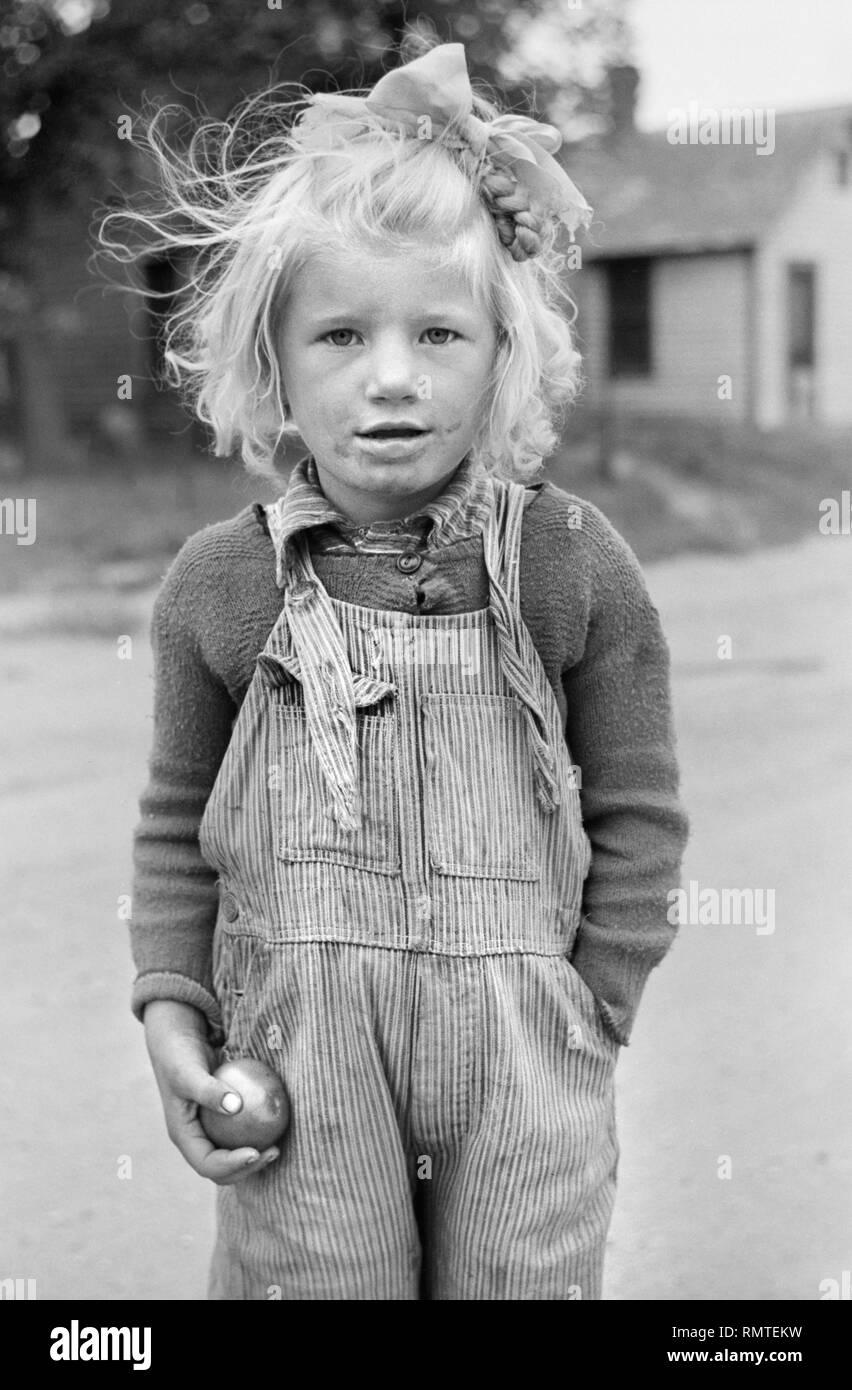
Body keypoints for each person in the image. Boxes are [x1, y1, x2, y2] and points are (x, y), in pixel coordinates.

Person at [111, 40, 690, 1300]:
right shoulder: (223, 583)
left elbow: (638, 801)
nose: (390, 376)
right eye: (340, 334)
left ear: (502, 355)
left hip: (524, 1068)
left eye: (438, 330)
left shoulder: (569, 562)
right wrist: (172, 1016)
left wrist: (599, 998)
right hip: (304, 1066)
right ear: (275, 363)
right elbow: (174, 824)